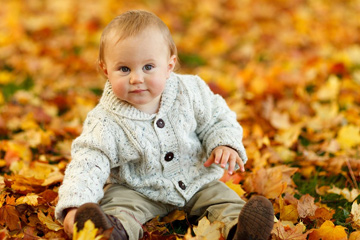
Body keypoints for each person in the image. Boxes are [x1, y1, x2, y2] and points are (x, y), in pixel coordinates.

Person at [55, 10, 274, 240]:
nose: (136, 78)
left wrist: (224, 143)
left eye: (148, 67)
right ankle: (109, 232)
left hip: (195, 180)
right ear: (105, 69)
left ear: (169, 65)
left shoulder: (190, 91)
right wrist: (74, 206)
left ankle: (241, 230)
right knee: (118, 206)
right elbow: (88, 163)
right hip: (136, 189)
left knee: (223, 200)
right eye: (124, 69)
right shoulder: (105, 120)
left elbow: (217, 118)